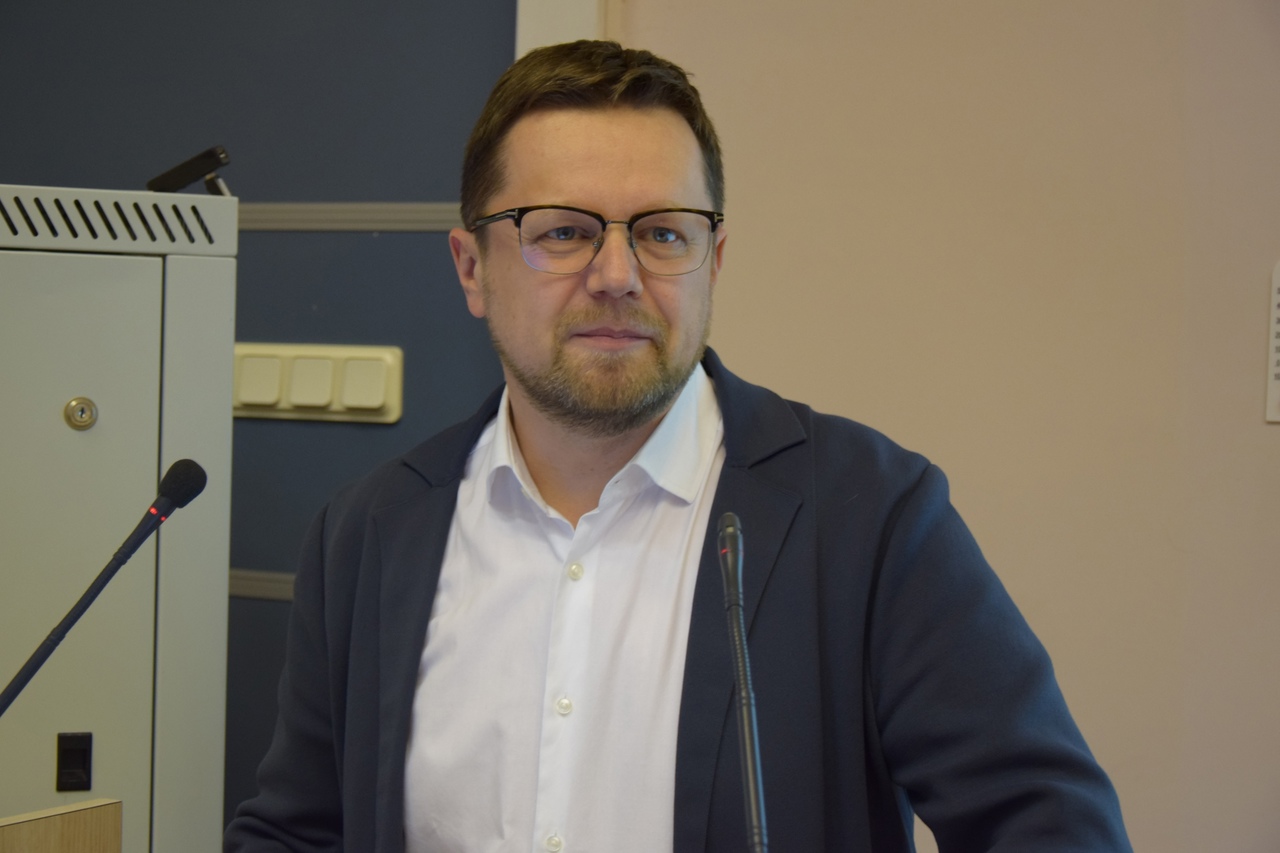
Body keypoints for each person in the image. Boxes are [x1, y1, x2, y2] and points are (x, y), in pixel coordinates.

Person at [225, 40, 1131, 852]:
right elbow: (298, 831)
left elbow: (1051, 825)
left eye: (662, 234)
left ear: (714, 260)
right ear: (472, 268)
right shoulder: (371, 533)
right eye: (564, 232)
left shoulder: (870, 518)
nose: (618, 276)